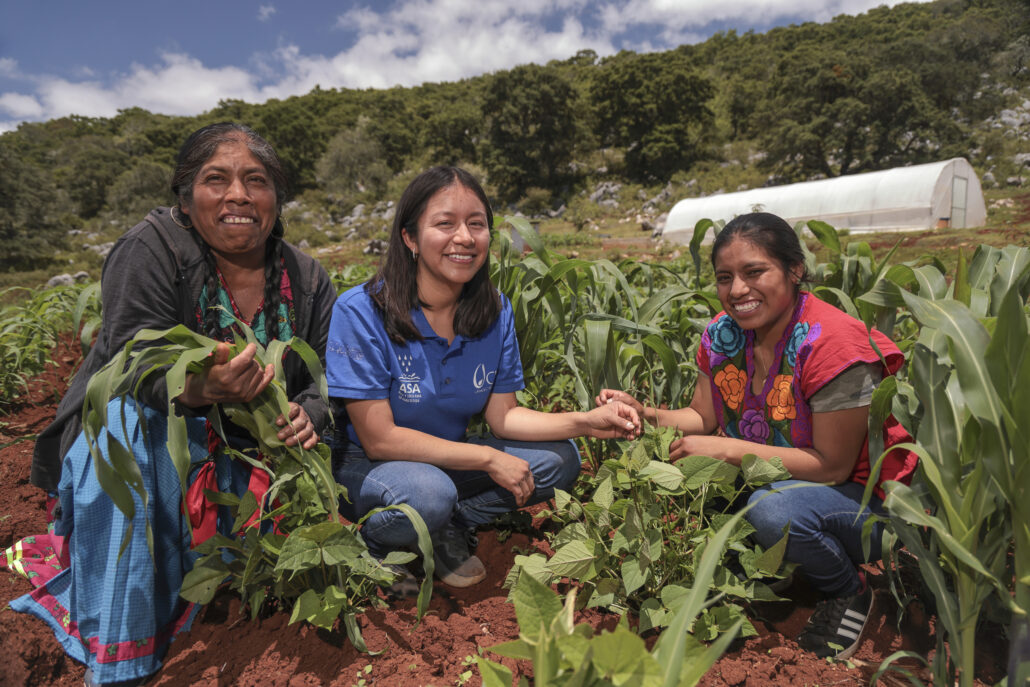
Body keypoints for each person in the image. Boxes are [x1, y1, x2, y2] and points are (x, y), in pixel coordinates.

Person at [6, 122, 335, 685]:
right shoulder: (151, 249)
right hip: (150, 446)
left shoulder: (305, 278)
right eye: (216, 179)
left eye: (256, 180)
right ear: (185, 196)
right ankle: (122, 653)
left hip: (249, 451)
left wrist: (312, 414)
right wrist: (200, 389)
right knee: (125, 421)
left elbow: (328, 378)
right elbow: (130, 364)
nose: (238, 195)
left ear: (276, 199)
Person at [597, 212, 917, 661]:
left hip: (868, 503)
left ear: (795, 269)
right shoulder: (723, 334)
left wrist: (726, 449)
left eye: (754, 272)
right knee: (685, 481)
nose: (738, 290)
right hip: (786, 482)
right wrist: (643, 412)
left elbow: (831, 466)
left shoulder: (835, 346)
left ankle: (849, 590)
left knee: (769, 510)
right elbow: (699, 416)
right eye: (725, 277)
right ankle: (775, 569)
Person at [325, 166, 640, 589]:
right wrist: (490, 459)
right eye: (444, 223)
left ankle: (447, 526)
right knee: (428, 494)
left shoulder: (494, 310)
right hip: (372, 466)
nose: (465, 238)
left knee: (561, 460)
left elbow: (504, 418)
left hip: (446, 459)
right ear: (410, 237)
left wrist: (586, 422)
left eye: (477, 224)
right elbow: (380, 439)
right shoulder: (361, 310)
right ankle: (378, 543)